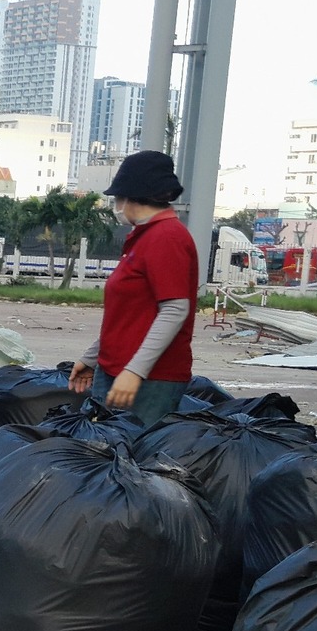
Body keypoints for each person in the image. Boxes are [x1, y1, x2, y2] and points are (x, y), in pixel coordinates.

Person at [69, 150, 198, 427]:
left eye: (117, 197)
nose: (116, 205)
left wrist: (134, 372)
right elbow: (129, 315)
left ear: (129, 196)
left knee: (129, 449)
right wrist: (92, 358)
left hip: (149, 381)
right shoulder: (143, 237)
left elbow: (175, 310)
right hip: (117, 371)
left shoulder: (167, 237)